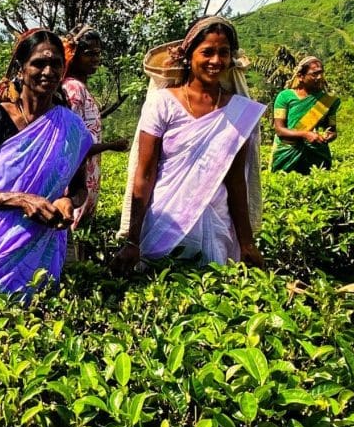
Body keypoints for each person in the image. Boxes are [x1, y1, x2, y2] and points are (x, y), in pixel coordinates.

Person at [113, 16, 266, 275]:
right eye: (207, 52)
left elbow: (236, 181)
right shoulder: (162, 103)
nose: (216, 61)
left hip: (215, 224)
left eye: (224, 53)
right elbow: (145, 174)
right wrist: (132, 239)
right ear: (189, 55)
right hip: (164, 222)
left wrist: (247, 243)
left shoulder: (238, 111)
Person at [0, 29, 92, 316]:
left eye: (56, 64)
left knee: (37, 324)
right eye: (38, 63)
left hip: (45, 248)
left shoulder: (71, 126)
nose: (48, 71)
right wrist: (19, 199)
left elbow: (80, 188)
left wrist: (69, 201)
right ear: (21, 68)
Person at [60, 25, 129, 230]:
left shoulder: (81, 87)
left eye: (98, 53)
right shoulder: (72, 89)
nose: (96, 59)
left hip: (85, 180)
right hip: (74, 181)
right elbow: (71, 144)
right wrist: (110, 146)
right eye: (89, 53)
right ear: (73, 54)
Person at [270, 56, 340, 174]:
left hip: (316, 154)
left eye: (321, 73)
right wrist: (305, 134)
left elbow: (332, 129)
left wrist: (330, 135)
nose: (320, 77)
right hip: (287, 152)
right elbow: (279, 130)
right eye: (314, 74)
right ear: (301, 77)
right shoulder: (285, 97)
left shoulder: (327, 101)